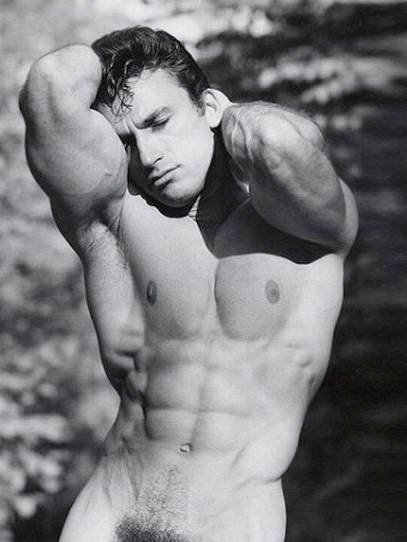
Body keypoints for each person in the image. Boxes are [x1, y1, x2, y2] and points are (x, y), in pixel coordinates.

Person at [19, 25, 358, 542]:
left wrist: (233, 116)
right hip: (109, 512)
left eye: (159, 122)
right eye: (127, 141)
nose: (149, 155)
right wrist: (121, 64)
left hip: (232, 521)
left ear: (209, 106)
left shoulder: (309, 230)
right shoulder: (113, 225)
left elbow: (277, 142)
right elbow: (50, 84)